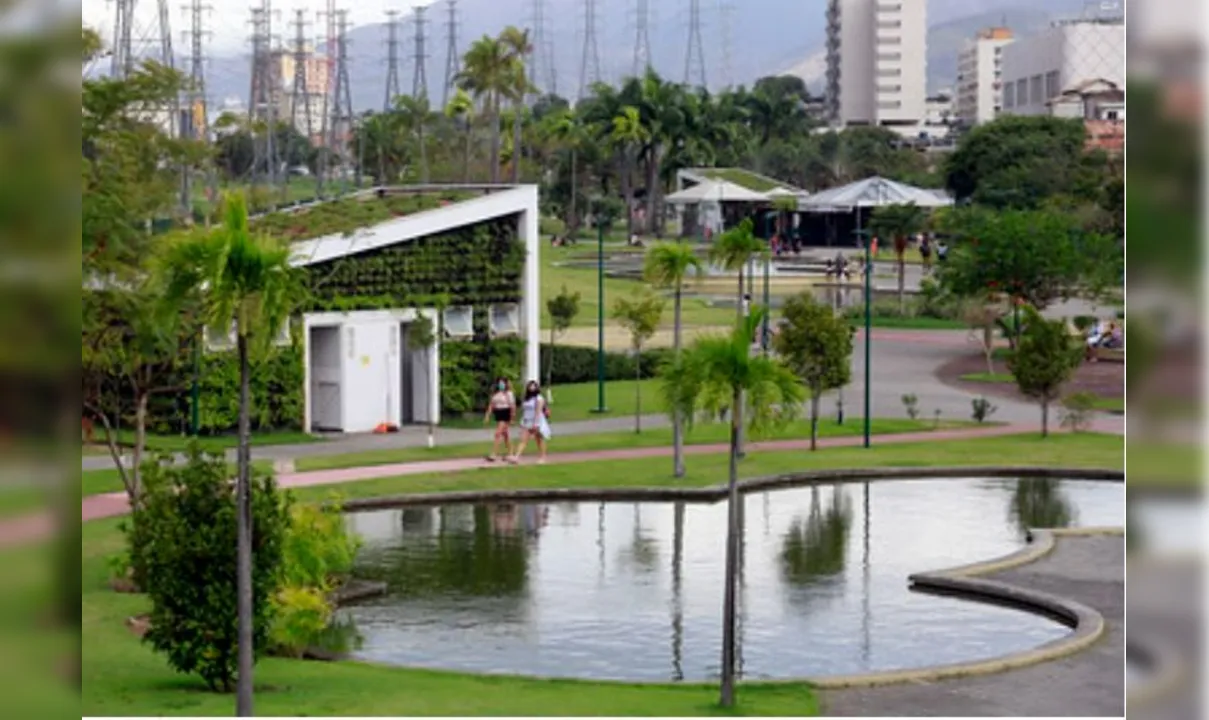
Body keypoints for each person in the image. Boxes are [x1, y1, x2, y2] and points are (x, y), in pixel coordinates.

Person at [509, 380, 550, 464]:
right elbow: (525, 412)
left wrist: (536, 424)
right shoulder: (527, 399)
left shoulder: (539, 398)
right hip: (527, 421)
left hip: (536, 421)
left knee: (539, 439)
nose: (532, 387)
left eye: (534, 386)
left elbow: (538, 412)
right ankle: (516, 457)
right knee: (523, 440)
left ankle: (542, 457)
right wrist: (522, 422)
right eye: (530, 386)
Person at [483, 377, 516, 462]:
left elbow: (512, 406)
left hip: (506, 413)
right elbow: (491, 405)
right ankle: (510, 453)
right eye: (500, 383)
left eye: (503, 383)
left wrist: (512, 418)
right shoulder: (495, 393)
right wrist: (487, 415)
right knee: (505, 434)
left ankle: (494, 454)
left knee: (498, 433)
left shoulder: (509, 393)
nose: (501, 385)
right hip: (498, 413)